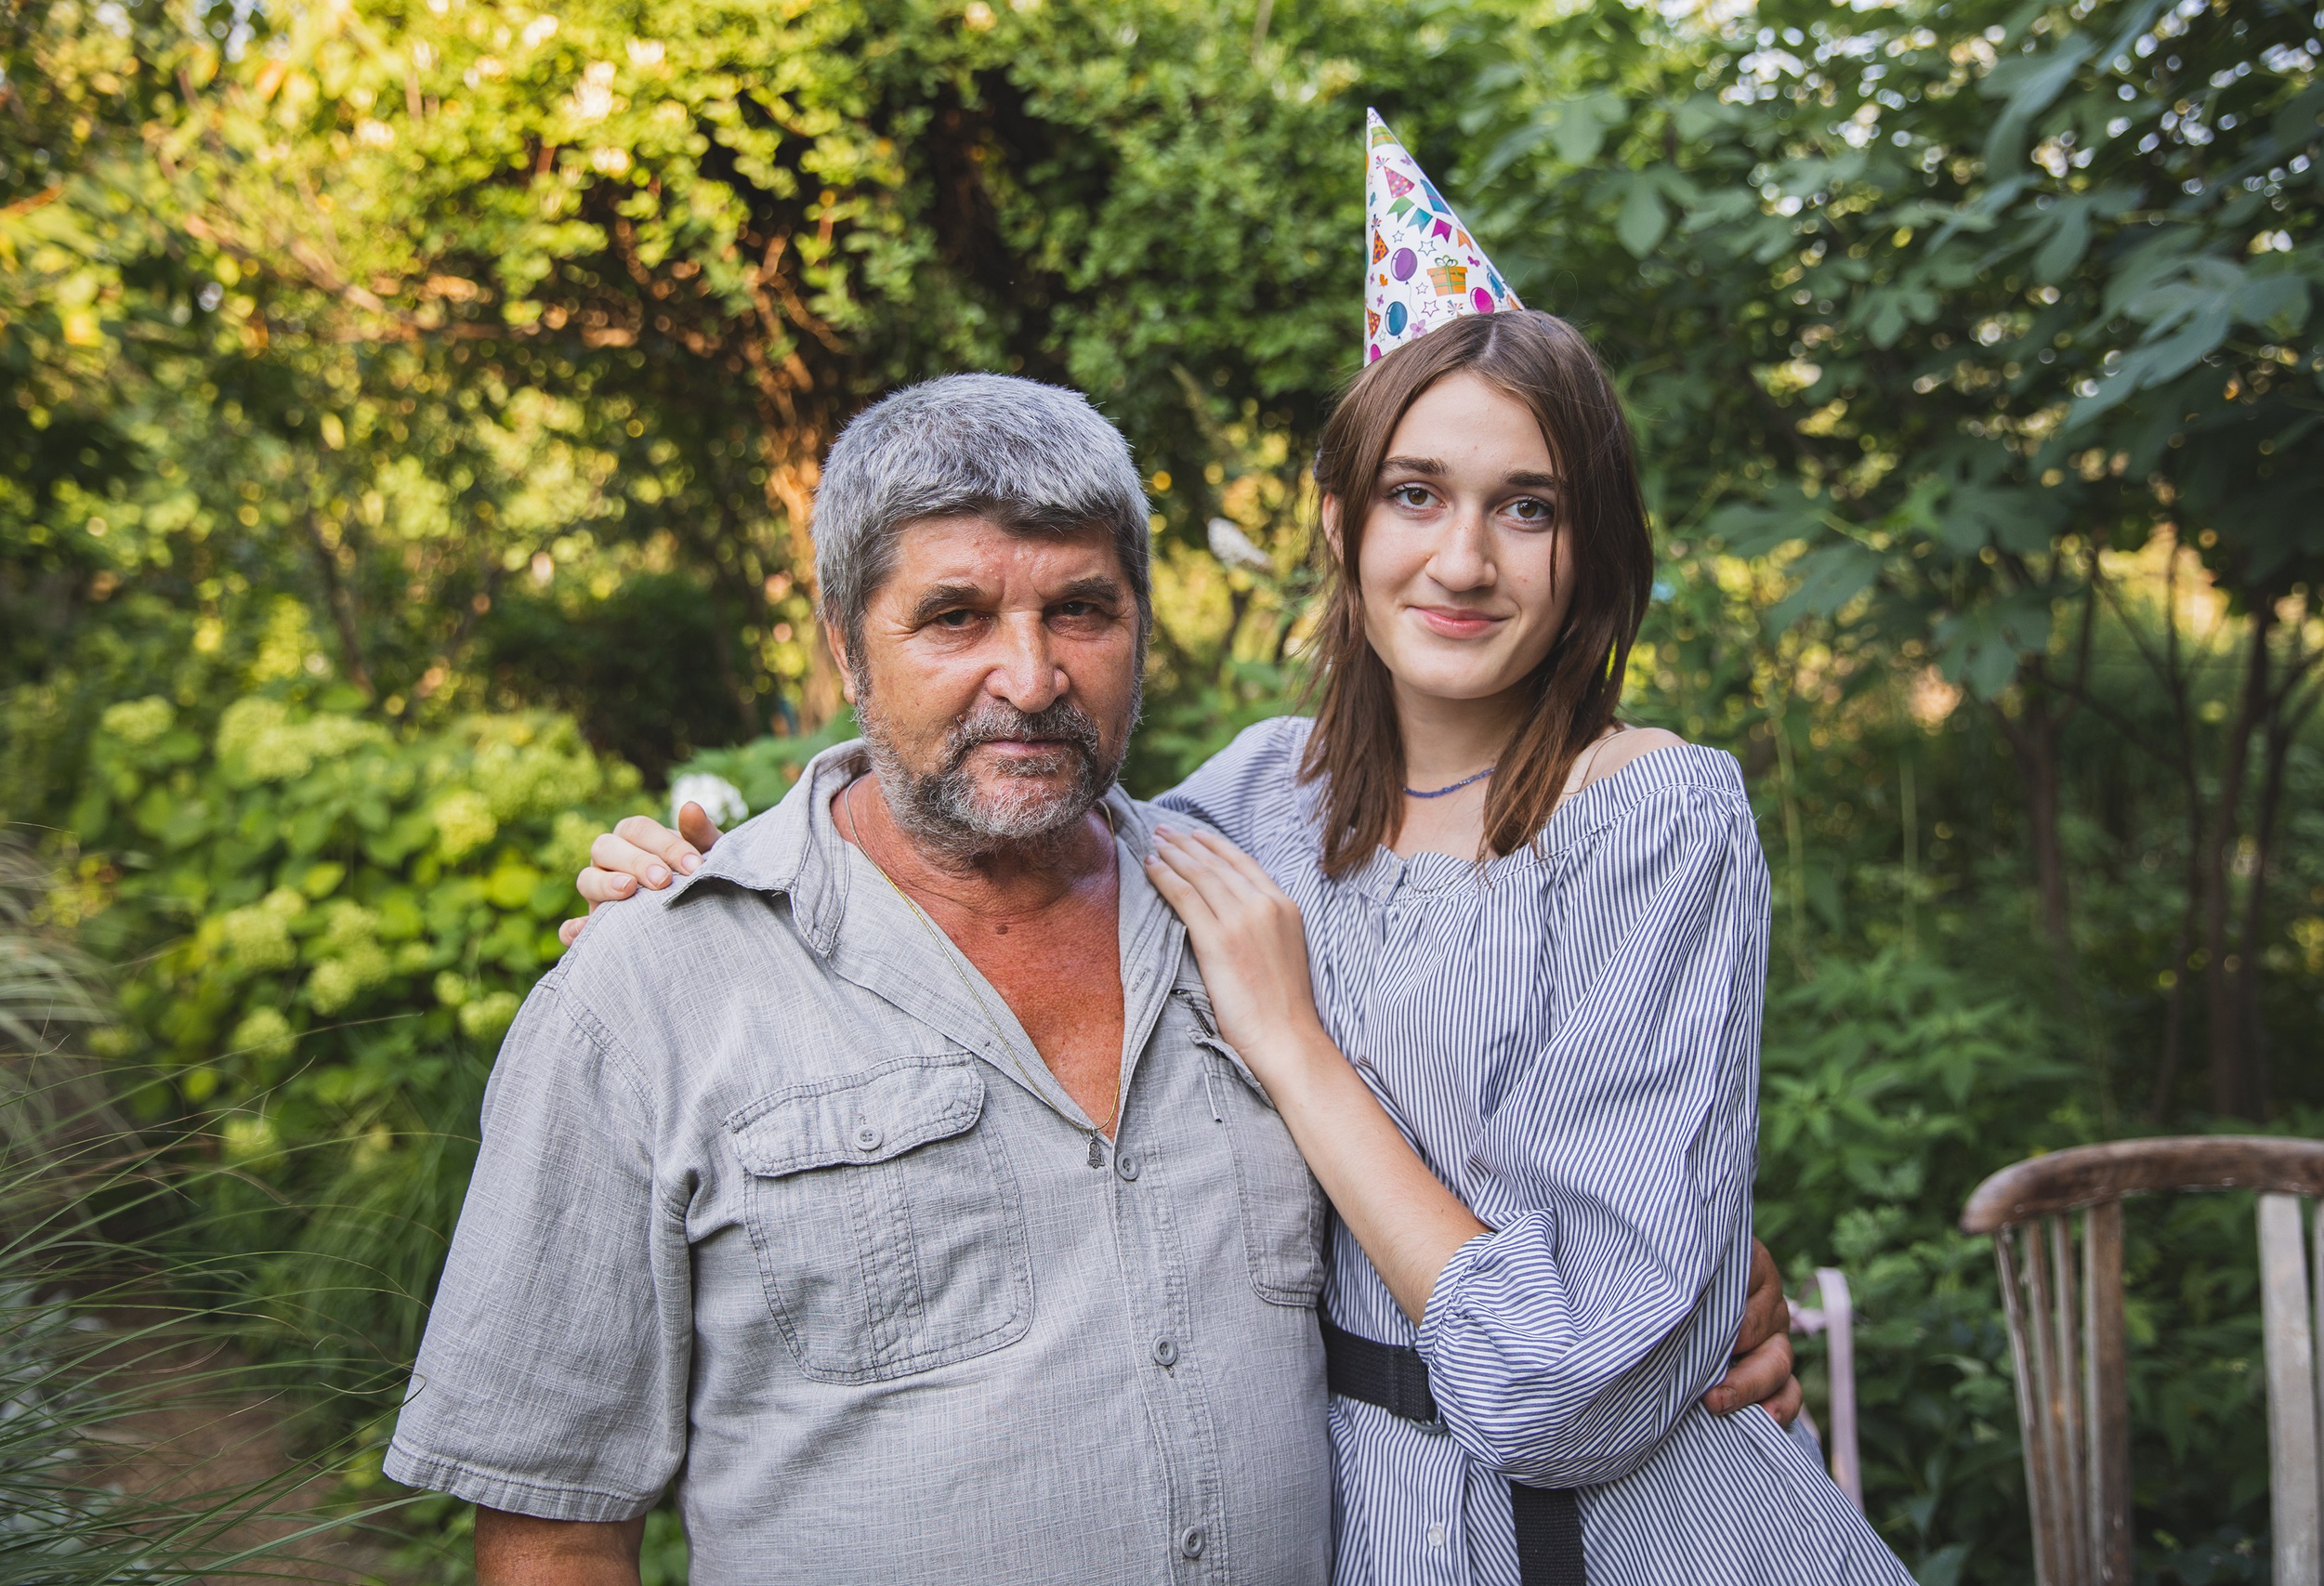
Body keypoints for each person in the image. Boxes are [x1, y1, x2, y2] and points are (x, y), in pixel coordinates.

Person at [571, 112, 1908, 1586]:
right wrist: (707, 901)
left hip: (1637, 1538)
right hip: (1373, 1529)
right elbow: (988, 833)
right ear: (1340, 521)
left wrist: (1299, 1045)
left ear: (1587, 550)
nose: (1463, 560)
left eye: (1528, 509)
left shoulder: (1651, 813)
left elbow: (1565, 1384)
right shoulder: (1256, 800)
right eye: (1417, 494)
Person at [397, 371, 1798, 1585]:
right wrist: (670, 917)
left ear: (1142, 629)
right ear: (845, 642)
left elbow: (1500, 1078)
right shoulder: (662, 990)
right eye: (952, 617)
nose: (1030, 676)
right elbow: (551, 1515)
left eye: (1082, 610)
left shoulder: (1225, 881)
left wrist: (1696, 1281)